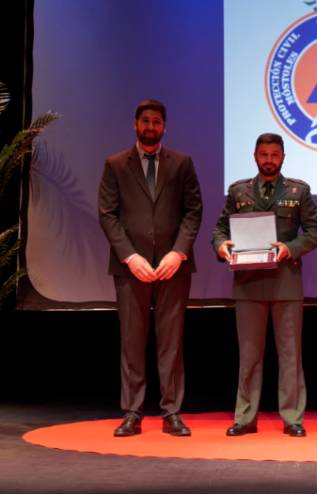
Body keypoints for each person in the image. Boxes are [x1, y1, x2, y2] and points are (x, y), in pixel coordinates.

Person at [98, 99, 203, 437]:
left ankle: (172, 413)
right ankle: (132, 412)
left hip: (174, 268)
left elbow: (193, 211)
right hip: (132, 268)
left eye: (157, 122)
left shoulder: (182, 163)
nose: (151, 127)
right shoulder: (115, 164)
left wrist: (178, 253)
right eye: (145, 121)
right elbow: (107, 215)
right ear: (135, 124)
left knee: (171, 343)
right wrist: (130, 257)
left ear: (164, 127)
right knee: (132, 341)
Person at [212, 132, 317, 438]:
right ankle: (245, 418)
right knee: (249, 356)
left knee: (290, 355)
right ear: (255, 156)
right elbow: (220, 229)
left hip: (286, 282)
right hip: (248, 284)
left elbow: (316, 232)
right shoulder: (238, 191)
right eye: (264, 155)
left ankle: (293, 418)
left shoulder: (298, 191)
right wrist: (221, 245)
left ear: (283, 157)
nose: (269, 160)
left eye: (275, 155)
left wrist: (291, 247)